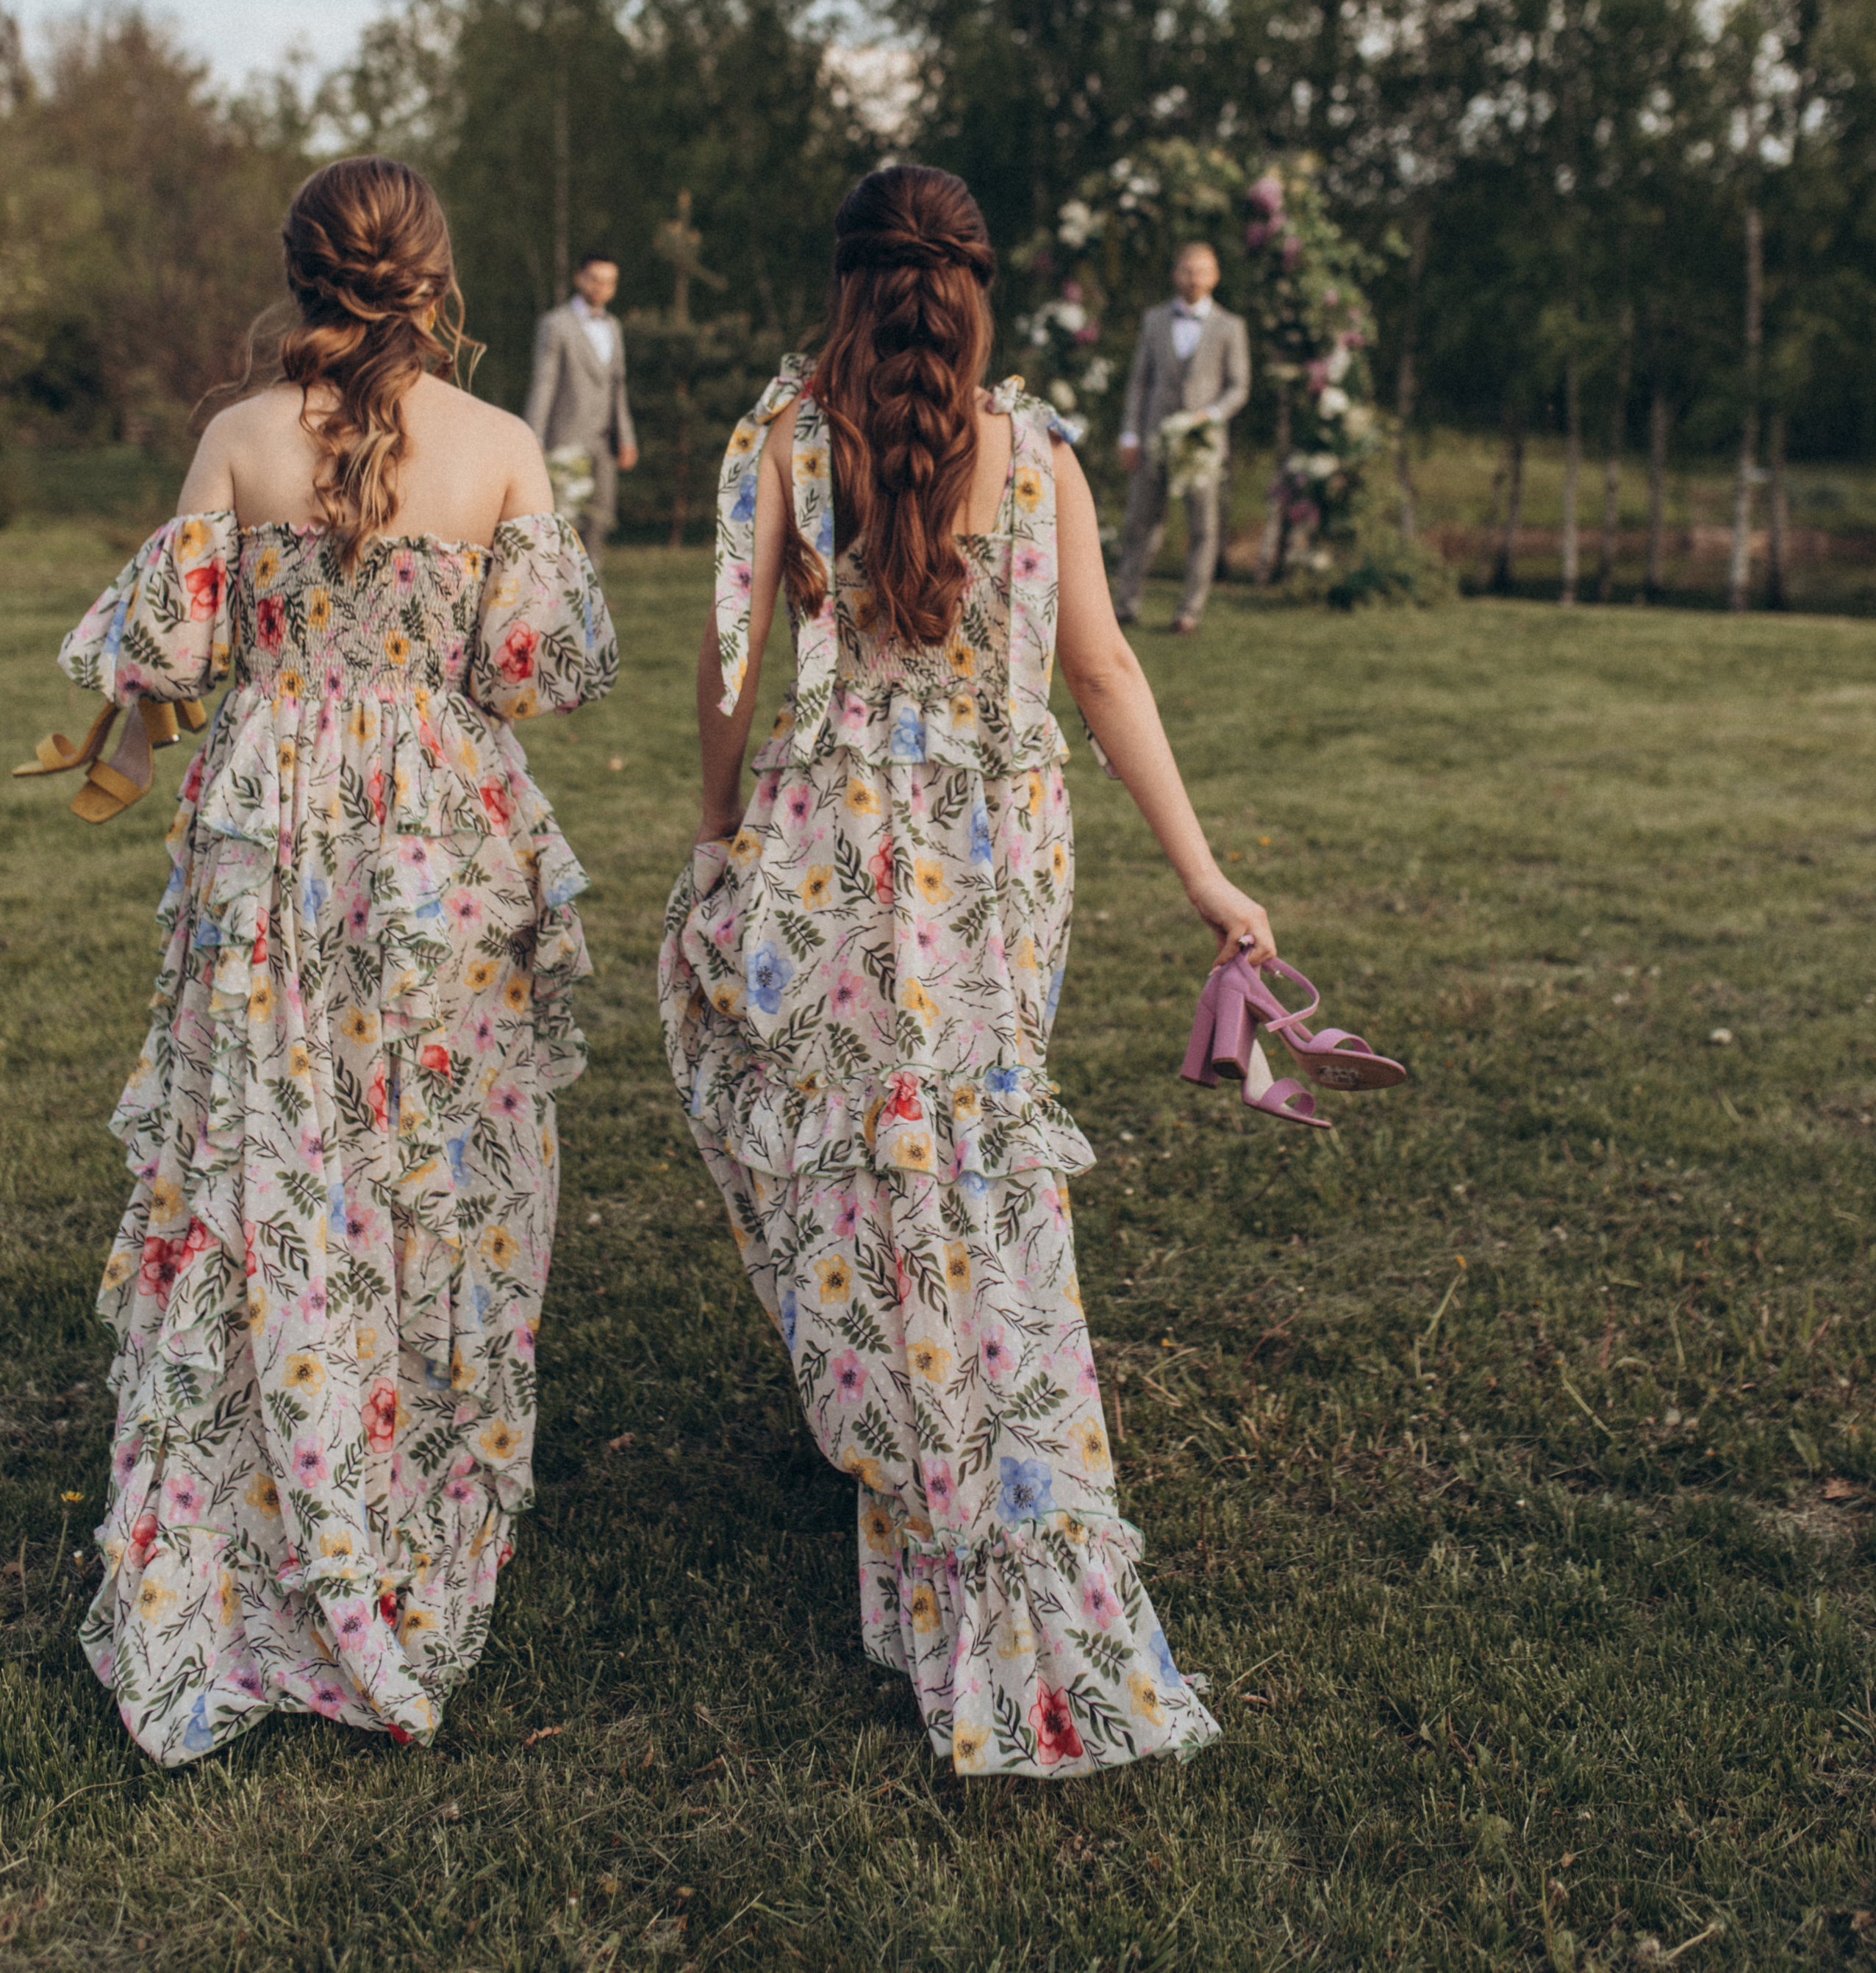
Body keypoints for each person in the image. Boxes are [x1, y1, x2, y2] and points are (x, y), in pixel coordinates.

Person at [658, 165, 1273, 1779]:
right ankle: (956, 1434)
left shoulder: (777, 438)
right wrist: (1200, 871)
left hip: (835, 844)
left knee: (853, 1158)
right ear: (974, 290)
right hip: (1001, 862)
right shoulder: (1042, 449)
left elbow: (727, 670)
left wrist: (716, 830)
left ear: (844, 281)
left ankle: (911, 1429)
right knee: (971, 1160)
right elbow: (1103, 668)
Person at [43, 157, 616, 1766]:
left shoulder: (235, 436)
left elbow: (162, 656)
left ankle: (252, 1519)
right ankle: (403, 1505)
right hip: (437, 843)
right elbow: (539, 671)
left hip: (272, 843)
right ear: (434, 280)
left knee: (266, 1155)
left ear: (303, 277)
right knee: (430, 1169)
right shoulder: (500, 449)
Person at [1114, 243, 1251, 635]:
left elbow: (1239, 386)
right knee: (1141, 522)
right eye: (1188, 271)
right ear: (1176, 274)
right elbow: (1140, 381)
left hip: (1203, 445)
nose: (1195, 279)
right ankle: (1126, 604)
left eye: (1203, 271)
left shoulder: (1231, 326)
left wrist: (1210, 416)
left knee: (1203, 528)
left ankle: (1189, 611)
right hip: (1155, 437)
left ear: (1215, 276)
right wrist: (1130, 434)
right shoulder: (1154, 320)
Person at [524, 250, 638, 562]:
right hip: (567, 437)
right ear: (580, 279)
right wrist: (534, 435)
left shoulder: (614, 326)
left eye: (609, 282)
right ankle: (562, 597)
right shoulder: (556, 324)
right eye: (595, 280)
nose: (602, 288)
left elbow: (618, 386)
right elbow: (544, 382)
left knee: (600, 519)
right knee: (566, 519)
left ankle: (595, 596)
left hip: (605, 442)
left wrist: (627, 437)